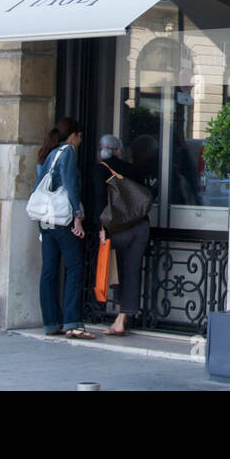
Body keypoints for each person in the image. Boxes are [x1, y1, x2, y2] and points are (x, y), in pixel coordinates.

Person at [36, 117, 96, 339]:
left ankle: (51, 323)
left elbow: (38, 186)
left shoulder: (47, 153)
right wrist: (77, 217)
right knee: (75, 268)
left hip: (45, 221)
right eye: (79, 136)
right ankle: (72, 323)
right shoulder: (68, 152)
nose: (80, 141)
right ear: (73, 136)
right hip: (62, 219)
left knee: (49, 271)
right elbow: (71, 186)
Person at [96, 134, 158, 336]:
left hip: (115, 229)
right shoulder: (133, 170)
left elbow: (98, 202)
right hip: (139, 226)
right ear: (118, 150)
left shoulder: (99, 170)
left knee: (118, 271)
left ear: (101, 150)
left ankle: (117, 315)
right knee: (131, 271)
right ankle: (123, 317)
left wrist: (101, 230)